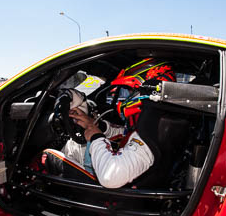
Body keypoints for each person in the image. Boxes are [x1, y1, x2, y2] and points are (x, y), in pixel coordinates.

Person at [43, 58, 176, 189]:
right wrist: (97, 127)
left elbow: (110, 177)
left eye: (130, 91)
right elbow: (125, 133)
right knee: (73, 146)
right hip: (126, 175)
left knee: (49, 156)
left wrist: (96, 138)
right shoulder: (158, 120)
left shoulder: (151, 131)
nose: (126, 97)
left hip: (115, 196)